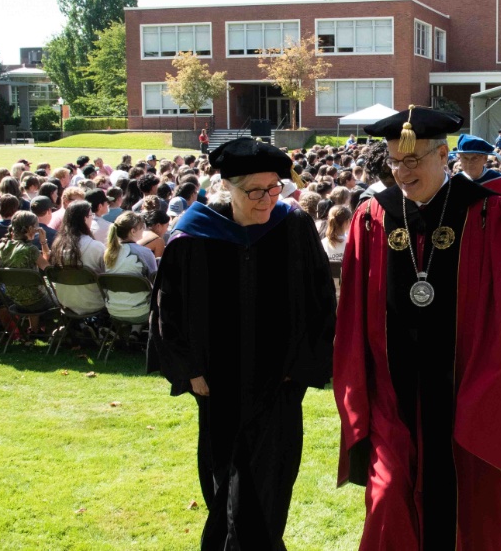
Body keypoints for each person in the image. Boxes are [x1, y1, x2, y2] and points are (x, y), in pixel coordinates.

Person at [334, 107, 501, 549]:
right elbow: (353, 317)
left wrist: (491, 390)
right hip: (392, 397)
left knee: (473, 512)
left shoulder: (488, 213)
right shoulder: (373, 217)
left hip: (470, 392)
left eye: (413, 160)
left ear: (444, 155)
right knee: (387, 503)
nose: (401, 172)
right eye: (394, 162)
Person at [148, 137, 337, 550]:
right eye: (255, 191)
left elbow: (321, 298)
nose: (268, 199)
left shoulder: (293, 226)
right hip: (217, 381)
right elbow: (169, 309)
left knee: (271, 477)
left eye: (275, 188)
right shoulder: (194, 235)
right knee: (223, 473)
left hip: (279, 381)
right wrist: (190, 369)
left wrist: (302, 364)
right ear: (227, 186)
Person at [0, 211, 52, 332]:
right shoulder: (30, 249)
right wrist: (43, 242)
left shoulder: (2, 246)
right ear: (31, 228)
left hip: (14, 297)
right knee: (54, 289)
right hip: (37, 301)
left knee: (30, 289)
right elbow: (48, 269)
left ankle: (34, 329)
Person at [49, 201, 107, 314]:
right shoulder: (96, 247)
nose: (92, 219)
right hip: (93, 302)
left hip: (66, 301)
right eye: (91, 215)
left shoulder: (57, 245)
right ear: (85, 218)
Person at [100, 211, 156, 322]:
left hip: (113, 310)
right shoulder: (144, 252)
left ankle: (134, 331)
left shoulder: (107, 253)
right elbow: (155, 280)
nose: (143, 230)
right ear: (133, 231)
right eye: (141, 228)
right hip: (142, 311)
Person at [451, 134, 501, 213]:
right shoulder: (454, 184)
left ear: (485, 158)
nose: (469, 163)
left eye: (474, 158)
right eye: (465, 158)